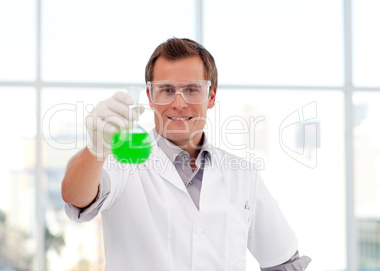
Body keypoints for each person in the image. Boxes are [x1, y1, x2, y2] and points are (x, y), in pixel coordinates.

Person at [62, 38, 311, 271]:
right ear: (150, 97)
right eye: (167, 90)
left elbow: (283, 261)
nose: (179, 103)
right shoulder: (120, 162)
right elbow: (76, 195)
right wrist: (96, 149)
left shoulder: (243, 175)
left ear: (211, 96)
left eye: (192, 89)